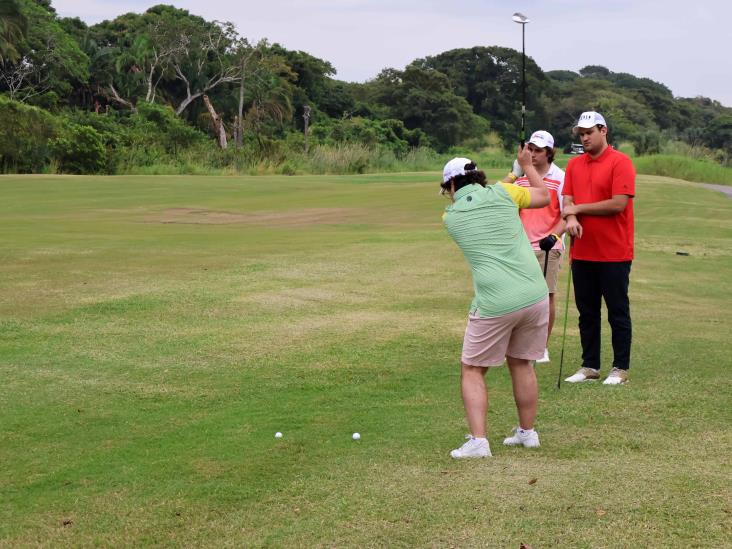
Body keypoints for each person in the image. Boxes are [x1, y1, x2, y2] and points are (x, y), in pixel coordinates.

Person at [441, 146, 550, 459]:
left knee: (472, 368)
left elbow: (477, 198)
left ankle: (479, 441)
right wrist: (526, 167)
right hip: (535, 293)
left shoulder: (450, 217)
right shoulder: (505, 193)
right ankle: (527, 433)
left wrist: (516, 171)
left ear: (451, 187)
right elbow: (542, 196)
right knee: (521, 362)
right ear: (478, 176)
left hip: (496, 301)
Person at [561, 111, 636, 385]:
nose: (584, 137)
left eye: (589, 132)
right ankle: (590, 366)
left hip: (614, 251)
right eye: (581, 133)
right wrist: (570, 217)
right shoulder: (574, 165)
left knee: (617, 311)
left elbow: (618, 203)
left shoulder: (621, 162)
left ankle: (620, 368)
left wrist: (577, 209)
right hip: (582, 251)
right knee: (587, 312)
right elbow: (567, 200)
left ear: (603, 130)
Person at [503, 130, 566, 363]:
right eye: (530, 149)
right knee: (517, 297)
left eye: (538, 150)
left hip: (548, 246)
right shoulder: (520, 177)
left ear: (549, 153)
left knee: (545, 297)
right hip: (519, 247)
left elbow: (565, 213)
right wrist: (513, 173)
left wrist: (553, 236)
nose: (532, 154)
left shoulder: (560, 177)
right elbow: (496, 198)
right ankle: (517, 344)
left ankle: (541, 346)